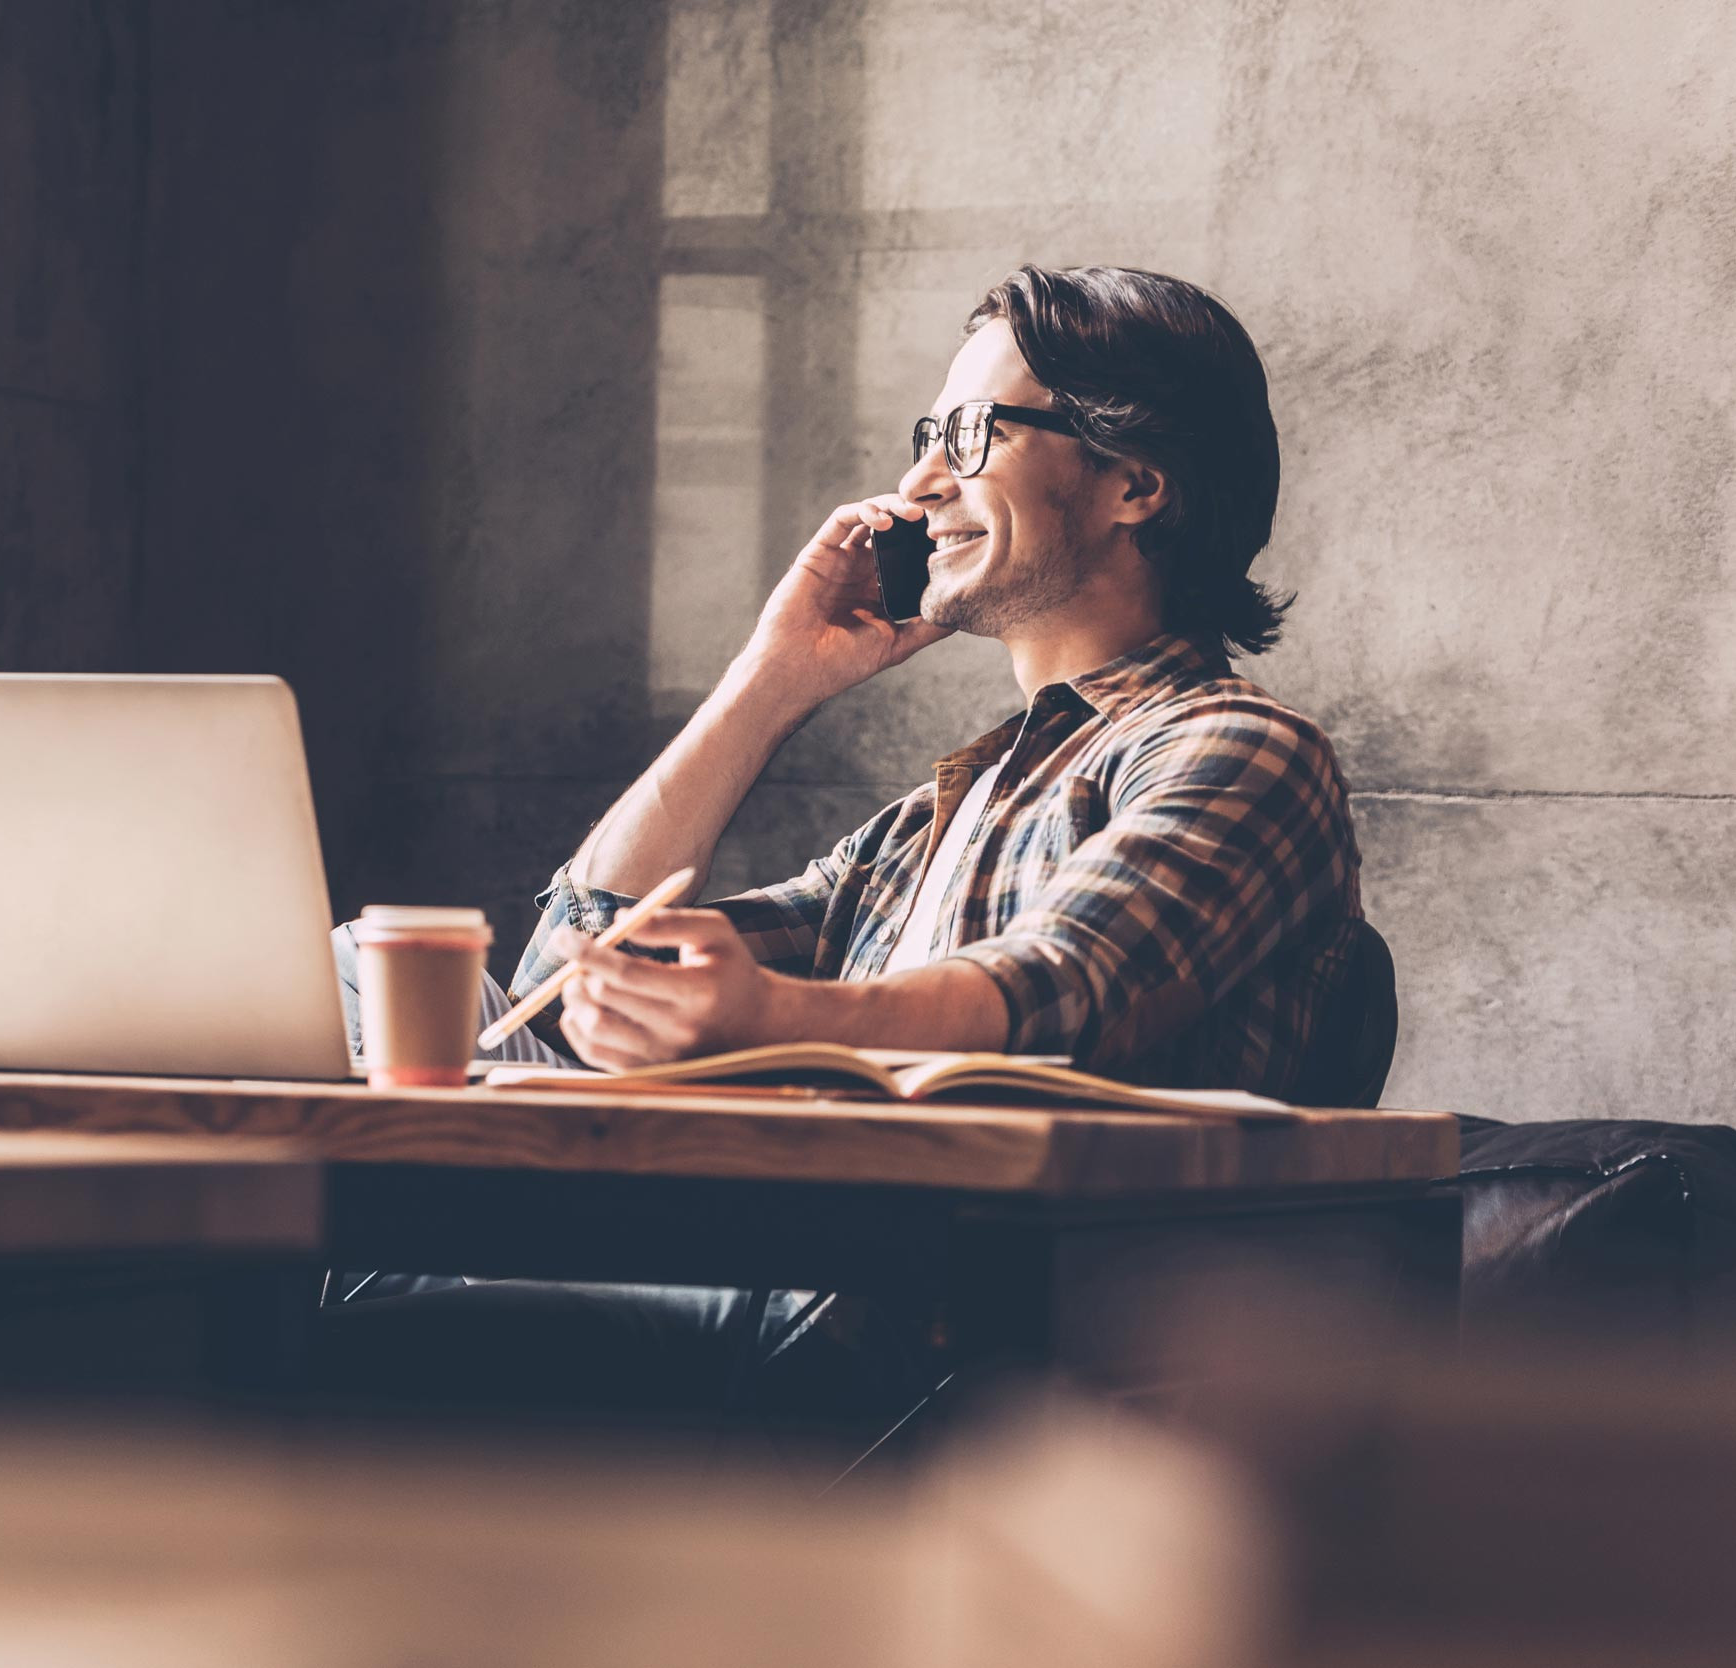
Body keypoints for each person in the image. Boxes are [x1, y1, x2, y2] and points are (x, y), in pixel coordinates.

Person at [320, 264, 1364, 1436]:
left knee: (311, 1339)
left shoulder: (1240, 750)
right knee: (347, 982)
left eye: (970, 434)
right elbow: (574, 972)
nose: (918, 485)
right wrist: (767, 681)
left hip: (930, 1335)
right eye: (929, 436)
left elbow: (1056, 993)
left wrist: (760, 1016)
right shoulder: (936, 815)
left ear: (1134, 483)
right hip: (754, 1277)